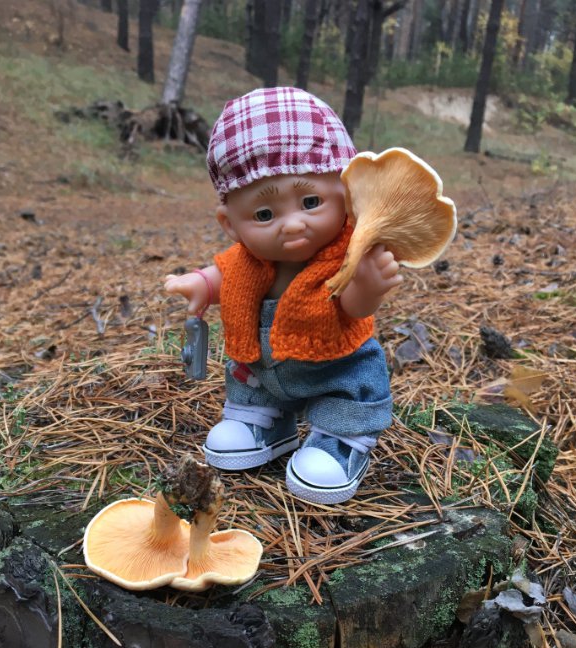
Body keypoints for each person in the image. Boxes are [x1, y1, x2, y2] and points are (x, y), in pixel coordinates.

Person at [165, 87, 402, 505]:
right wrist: (200, 284)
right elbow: (225, 275)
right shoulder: (246, 259)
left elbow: (353, 310)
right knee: (250, 381)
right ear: (230, 224)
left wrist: (367, 286)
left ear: (347, 197)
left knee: (345, 394)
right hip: (263, 373)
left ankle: (340, 438)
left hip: (335, 371)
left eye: (311, 201)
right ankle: (263, 421)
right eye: (264, 214)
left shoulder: (346, 258)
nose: (291, 224)